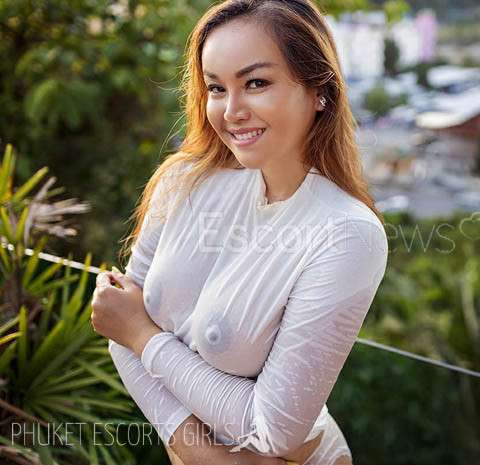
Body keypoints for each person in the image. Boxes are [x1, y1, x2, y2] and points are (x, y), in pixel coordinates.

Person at [89, 1, 389, 464]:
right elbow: (117, 324)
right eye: (216, 87)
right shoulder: (184, 179)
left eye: (256, 83)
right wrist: (212, 457)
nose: (231, 111)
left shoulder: (347, 234)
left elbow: (273, 432)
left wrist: (143, 337)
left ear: (320, 91)